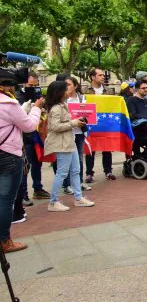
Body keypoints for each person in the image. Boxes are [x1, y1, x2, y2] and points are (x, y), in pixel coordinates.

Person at [0, 72, 43, 252]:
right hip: (8, 154)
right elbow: (29, 126)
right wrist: (36, 108)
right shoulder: (7, 103)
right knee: (5, 200)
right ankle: (4, 240)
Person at [44, 81, 95, 212]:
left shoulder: (62, 105)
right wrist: (73, 123)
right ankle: (53, 202)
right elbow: (54, 127)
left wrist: (75, 122)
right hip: (62, 144)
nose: (68, 92)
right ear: (59, 93)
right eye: (65, 90)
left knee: (76, 170)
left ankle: (78, 198)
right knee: (62, 173)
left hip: (68, 142)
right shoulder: (56, 108)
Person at [17, 72, 50, 204]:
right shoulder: (18, 96)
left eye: (36, 85)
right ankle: (23, 194)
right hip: (24, 137)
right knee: (25, 166)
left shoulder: (38, 95)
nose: (34, 88)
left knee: (37, 163)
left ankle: (38, 188)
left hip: (37, 134)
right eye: (31, 85)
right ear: (24, 83)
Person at [85, 68, 114, 182]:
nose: (103, 77)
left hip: (105, 122)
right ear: (93, 77)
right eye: (100, 75)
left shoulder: (109, 91)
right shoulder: (84, 90)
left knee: (107, 147)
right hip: (91, 123)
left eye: (103, 75)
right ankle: (89, 173)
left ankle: (108, 171)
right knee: (90, 148)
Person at [64, 77, 91, 192]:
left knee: (79, 159)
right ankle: (67, 185)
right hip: (67, 133)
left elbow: (88, 114)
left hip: (79, 133)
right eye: (65, 85)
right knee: (67, 160)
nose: (67, 87)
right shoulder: (63, 100)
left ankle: (79, 182)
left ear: (75, 86)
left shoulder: (82, 98)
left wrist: (83, 119)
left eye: (69, 84)